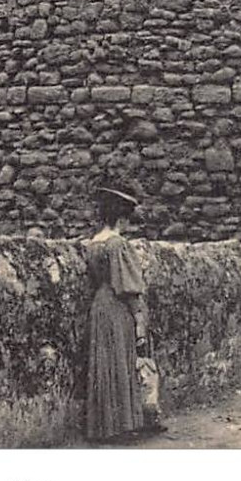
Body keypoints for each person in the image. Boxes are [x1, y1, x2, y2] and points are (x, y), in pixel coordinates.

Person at [85, 181, 151, 442]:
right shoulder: (117, 244)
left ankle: (104, 427)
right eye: (126, 218)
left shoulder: (93, 243)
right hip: (116, 305)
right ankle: (123, 426)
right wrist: (139, 319)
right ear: (121, 217)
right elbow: (129, 287)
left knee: (104, 366)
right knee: (121, 363)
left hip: (98, 305)